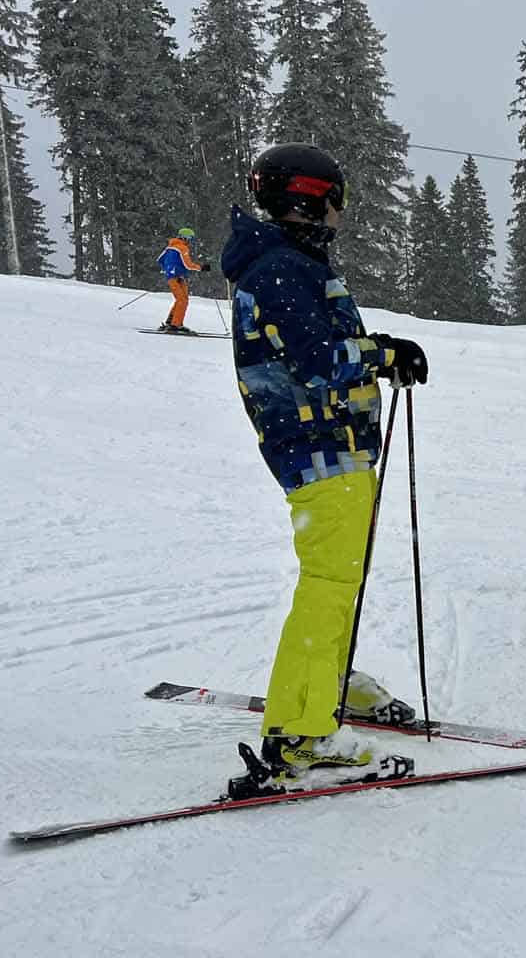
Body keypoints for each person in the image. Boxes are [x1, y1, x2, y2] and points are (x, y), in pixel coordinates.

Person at [220, 143, 431, 784]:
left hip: (332, 446)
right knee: (329, 586)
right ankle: (300, 735)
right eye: (337, 201)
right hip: (319, 449)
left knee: (341, 579)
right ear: (310, 201)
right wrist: (385, 355)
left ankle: (327, 681)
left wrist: (380, 352)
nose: (342, 214)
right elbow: (320, 360)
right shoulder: (281, 270)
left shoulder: (287, 265)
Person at [155, 226, 206, 332]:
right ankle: (175, 325)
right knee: (182, 300)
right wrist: (201, 268)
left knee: (182, 299)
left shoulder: (169, 247)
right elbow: (188, 265)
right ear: (185, 238)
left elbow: (160, 260)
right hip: (176, 277)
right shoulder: (182, 248)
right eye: (190, 239)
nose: (190, 242)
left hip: (175, 277)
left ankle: (171, 322)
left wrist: (168, 270)